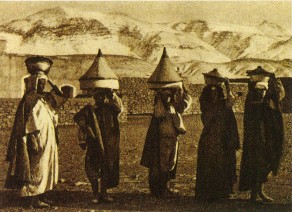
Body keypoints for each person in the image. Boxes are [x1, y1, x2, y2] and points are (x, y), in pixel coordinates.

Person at [5, 56, 67, 208]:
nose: (43, 85)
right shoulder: (30, 100)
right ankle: (32, 200)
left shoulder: (44, 99)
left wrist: (49, 79)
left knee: (45, 168)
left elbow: (62, 98)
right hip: (36, 141)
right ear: (33, 82)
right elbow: (28, 125)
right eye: (40, 82)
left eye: (44, 83)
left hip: (48, 141)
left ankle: (41, 195)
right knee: (35, 169)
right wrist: (34, 141)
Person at [239, 67, 285, 202]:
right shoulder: (251, 101)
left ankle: (259, 190)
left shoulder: (268, 101)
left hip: (266, 139)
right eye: (259, 90)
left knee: (266, 164)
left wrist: (274, 78)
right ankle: (255, 193)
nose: (262, 93)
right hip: (255, 140)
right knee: (255, 164)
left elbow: (278, 96)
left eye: (264, 90)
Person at [195, 69, 240, 202]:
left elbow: (229, 101)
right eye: (212, 91)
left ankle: (221, 190)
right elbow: (208, 114)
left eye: (216, 91)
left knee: (221, 162)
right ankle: (210, 191)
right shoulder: (206, 97)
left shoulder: (221, 99)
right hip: (211, 135)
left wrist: (227, 85)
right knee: (211, 162)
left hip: (221, 136)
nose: (214, 93)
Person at [140, 86, 192, 198]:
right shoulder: (160, 106)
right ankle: (160, 189)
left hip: (172, 138)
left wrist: (184, 91)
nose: (168, 98)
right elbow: (159, 114)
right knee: (163, 164)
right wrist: (160, 97)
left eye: (169, 95)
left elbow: (185, 104)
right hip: (163, 139)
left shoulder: (174, 106)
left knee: (170, 163)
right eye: (166, 96)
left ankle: (165, 187)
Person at [74, 88, 123, 204]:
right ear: (94, 97)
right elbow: (78, 118)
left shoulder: (110, 107)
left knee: (107, 167)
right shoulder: (89, 109)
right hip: (94, 144)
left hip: (109, 143)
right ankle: (95, 194)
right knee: (93, 168)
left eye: (102, 95)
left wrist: (112, 95)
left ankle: (104, 193)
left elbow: (119, 108)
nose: (100, 98)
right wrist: (86, 128)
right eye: (98, 96)